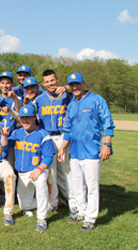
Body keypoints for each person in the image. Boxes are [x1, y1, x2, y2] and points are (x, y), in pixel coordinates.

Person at [58, 72, 115, 231]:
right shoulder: (70, 105)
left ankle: (90, 218)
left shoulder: (96, 100)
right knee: (77, 186)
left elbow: (108, 123)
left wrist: (107, 144)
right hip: (75, 152)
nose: (75, 87)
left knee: (92, 187)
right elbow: (67, 130)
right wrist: (62, 149)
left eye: (77, 84)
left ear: (83, 83)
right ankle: (81, 212)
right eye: (72, 85)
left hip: (92, 152)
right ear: (69, 86)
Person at [2, 105, 55, 231]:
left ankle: (42, 218)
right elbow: (5, 147)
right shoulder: (16, 132)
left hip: (37, 170)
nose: (25, 121)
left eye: (28, 118)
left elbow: (49, 157)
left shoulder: (43, 134)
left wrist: (39, 169)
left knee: (41, 182)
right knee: (25, 206)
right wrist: (3, 135)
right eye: (22, 118)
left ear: (35, 117)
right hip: (22, 173)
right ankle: (48, 202)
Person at [33, 69, 76, 215]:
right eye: (47, 81)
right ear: (43, 84)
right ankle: (54, 201)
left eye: (52, 80)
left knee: (66, 170)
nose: (50, 83)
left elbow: (79, 88)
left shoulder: (67, 96)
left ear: (57, 79)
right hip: (47, 138)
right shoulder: (39, 99)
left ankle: (72, 201)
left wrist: (67, 88)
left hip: (63, 136)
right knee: (50, 172)